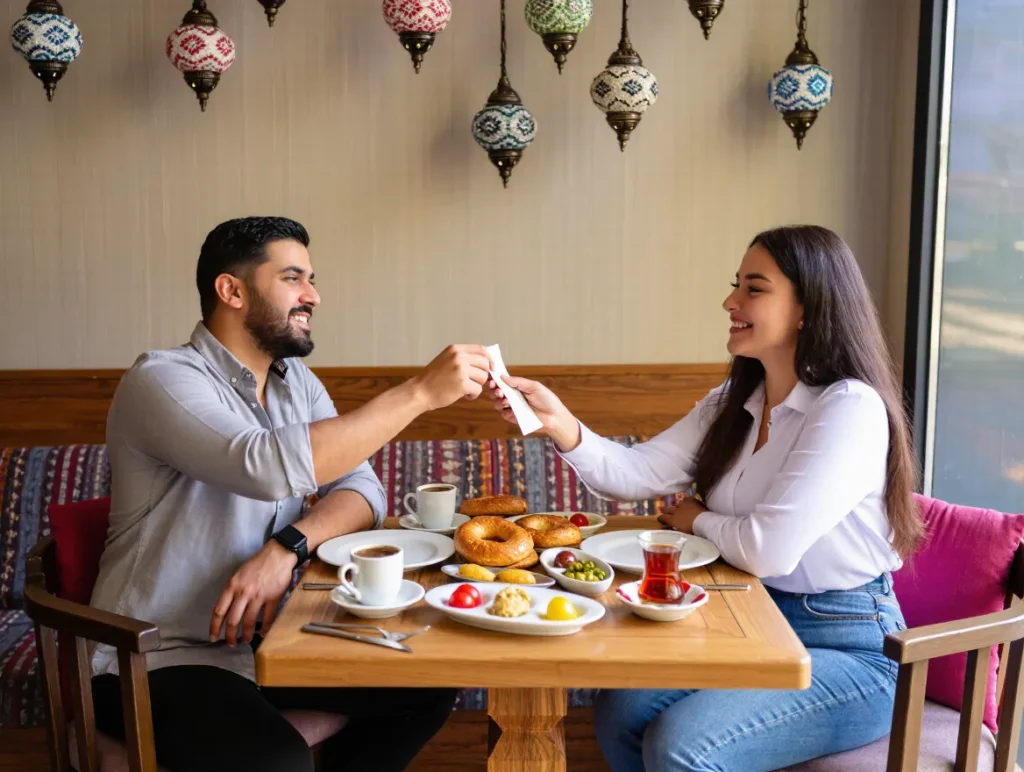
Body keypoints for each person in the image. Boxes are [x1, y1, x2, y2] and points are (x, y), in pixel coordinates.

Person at [488, 225, 923, 772]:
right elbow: (636, 472)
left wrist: (697, 519)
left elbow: (768, 551)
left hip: (850, 644)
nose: (730, 301)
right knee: (619, 712)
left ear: (807, 308)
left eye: (753, 288)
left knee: (683, 745)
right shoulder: (735, 401)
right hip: (749, 618)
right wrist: (561, 424)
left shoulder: (848, 408)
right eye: (736, 285)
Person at [89, 216, 491, 772]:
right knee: (272, 760)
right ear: (230, 290)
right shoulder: (162, 379)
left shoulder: (296, 382)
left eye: (312, 279)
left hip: (268, 648)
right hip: (156, 660)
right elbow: (262, 464)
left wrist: (287, 548)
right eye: (294, 278)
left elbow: (362, 488)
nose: (314, 296)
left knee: (424, 686)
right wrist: (420, 392)